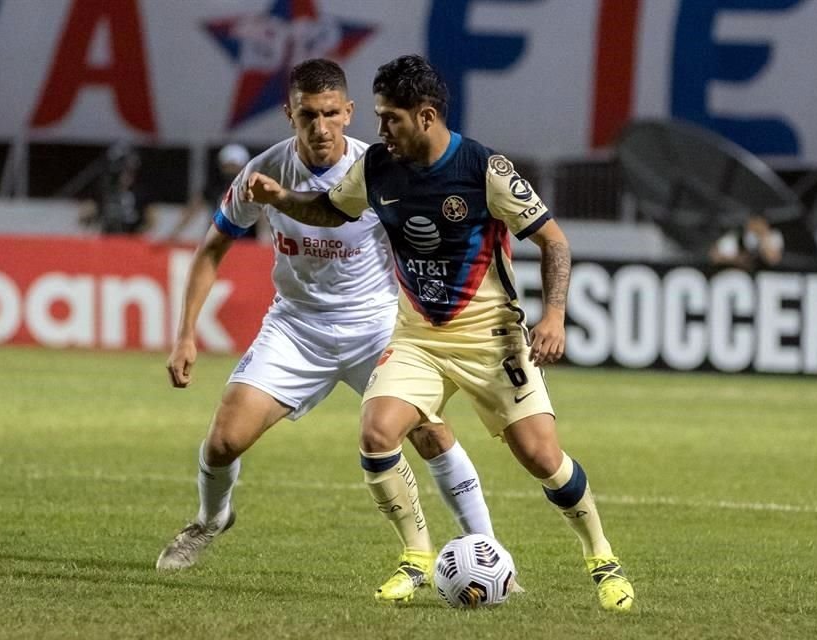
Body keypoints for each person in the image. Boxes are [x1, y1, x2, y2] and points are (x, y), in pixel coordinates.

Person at [245, 54, 635, 612]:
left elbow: (555, 242)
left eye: (390, 119)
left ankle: (603, 559)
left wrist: (554, 315)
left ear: (426, 116)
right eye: (378, 117)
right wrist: (281, 200)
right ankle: (417, 556)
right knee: (378, 433)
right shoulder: (379, 167)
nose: (378, 132)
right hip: (418, 337)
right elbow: (334, 211)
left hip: (491, 338)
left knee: (542, 456)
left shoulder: (484, 169)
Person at [155, 59, 496, 603]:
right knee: (222, 442)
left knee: (430, 432)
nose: (320, 127)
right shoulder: (263, 175)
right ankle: (210, 519)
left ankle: (486, 549)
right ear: (290, 114)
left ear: (349, 113)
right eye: (308, 115)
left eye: (331, 114)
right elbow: (212, 247)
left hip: (376, 326)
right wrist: (185, 333)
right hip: (296, 327)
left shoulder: (382, 168)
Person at [166, 144, 269, 243]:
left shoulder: (252, 188)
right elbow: (192, 210)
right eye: (227, 166)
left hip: (244, 242)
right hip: (216, 240)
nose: (230, 170)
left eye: (234, 166)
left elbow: (261, 215)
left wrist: (262, 239)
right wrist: (174, 234)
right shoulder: (214, 188)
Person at [78, 142, 155, 235]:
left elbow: (151, 219)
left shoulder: (140, 192)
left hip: (130, 238)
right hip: (108, 238)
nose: (126, 176)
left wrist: (138, 236)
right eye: (121, 172)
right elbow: (88, 212)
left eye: (130, 172)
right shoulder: (104, 191)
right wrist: (89, 217)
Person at [709, 214, 784, 270]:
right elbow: (754, 223)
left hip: (737, 242)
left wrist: (737, 259)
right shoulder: (771, 238)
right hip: (735, 226)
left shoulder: (758, 252)